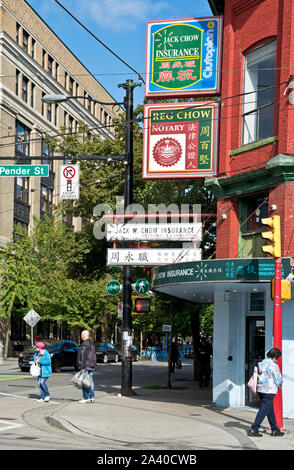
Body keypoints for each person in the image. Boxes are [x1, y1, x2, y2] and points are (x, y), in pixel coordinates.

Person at [248, 347, 284, 437]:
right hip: (270, 390)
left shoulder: (261, 363)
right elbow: (278, 379)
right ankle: (254, 428)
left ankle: (274, 429)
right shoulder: (274, 365)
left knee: (269, 409)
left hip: (261, 389)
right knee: (264, 409)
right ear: (275, 357)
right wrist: (278, 386)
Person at [76, 330, 96, 403]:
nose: (81, 336)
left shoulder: (84, 344)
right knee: (91, 381)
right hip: (91, 364)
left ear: (84, 335)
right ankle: (92, 397)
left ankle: (85, 397)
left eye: (81, 334)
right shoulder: (92, 343)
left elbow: (83, 355)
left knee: (85, 382)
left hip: (85, 365)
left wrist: (82, 366)